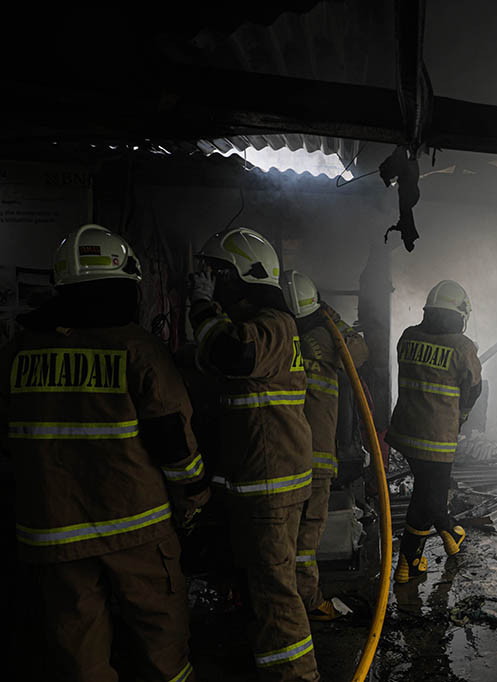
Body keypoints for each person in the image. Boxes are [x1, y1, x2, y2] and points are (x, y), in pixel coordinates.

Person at [2, 224, 207, 682]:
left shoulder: (17, 352)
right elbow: (174, 442)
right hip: (137, 528)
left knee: (79, 654)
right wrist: (193, 502)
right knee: (162, 647)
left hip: (53, 533)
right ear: (126, 285)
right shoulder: (138, 350)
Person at [189, 227, 318, 681]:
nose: (211, 282)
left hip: (270, 488)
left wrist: (203, 307)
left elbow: (233, 356)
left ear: (243, 275)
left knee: (274, 594)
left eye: (218, 274)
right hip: (255, 484)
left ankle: (298, 677)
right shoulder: (258, 326)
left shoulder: (273, 326)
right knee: (262, 591)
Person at [281, 269, 368, 621]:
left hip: (279, 455)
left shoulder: (275, 340)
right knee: (306, 534)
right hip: (314, 457)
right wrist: (333, 318)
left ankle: (287, 596)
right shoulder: (326, 341)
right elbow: (360, 351)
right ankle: (308, 602)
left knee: (280, 535)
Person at [387, 280, 482, 583]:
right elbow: (473, 390)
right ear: (459, 315)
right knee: (430, 499)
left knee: (426, 493)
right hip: (437, 439)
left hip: (405, 433)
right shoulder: (463, 347)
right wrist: (461, 418)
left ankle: (432, 546)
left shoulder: (407, 337)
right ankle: (427, 548)